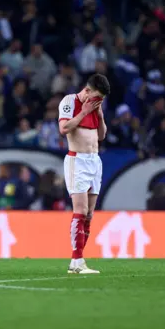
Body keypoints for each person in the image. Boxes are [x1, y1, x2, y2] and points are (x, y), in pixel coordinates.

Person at [58, 74, 110, 274]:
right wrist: (84, 112)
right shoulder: (69, 101)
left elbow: (101, 135)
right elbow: (64, 128)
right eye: (96, 97)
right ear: (87, 91)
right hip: (76, 160)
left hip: (94, 161)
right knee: (79, 211)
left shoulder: (96, 107)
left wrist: (100, 115)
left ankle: (77, 262)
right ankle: (77, 260)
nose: (98, 101)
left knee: (89, 215)